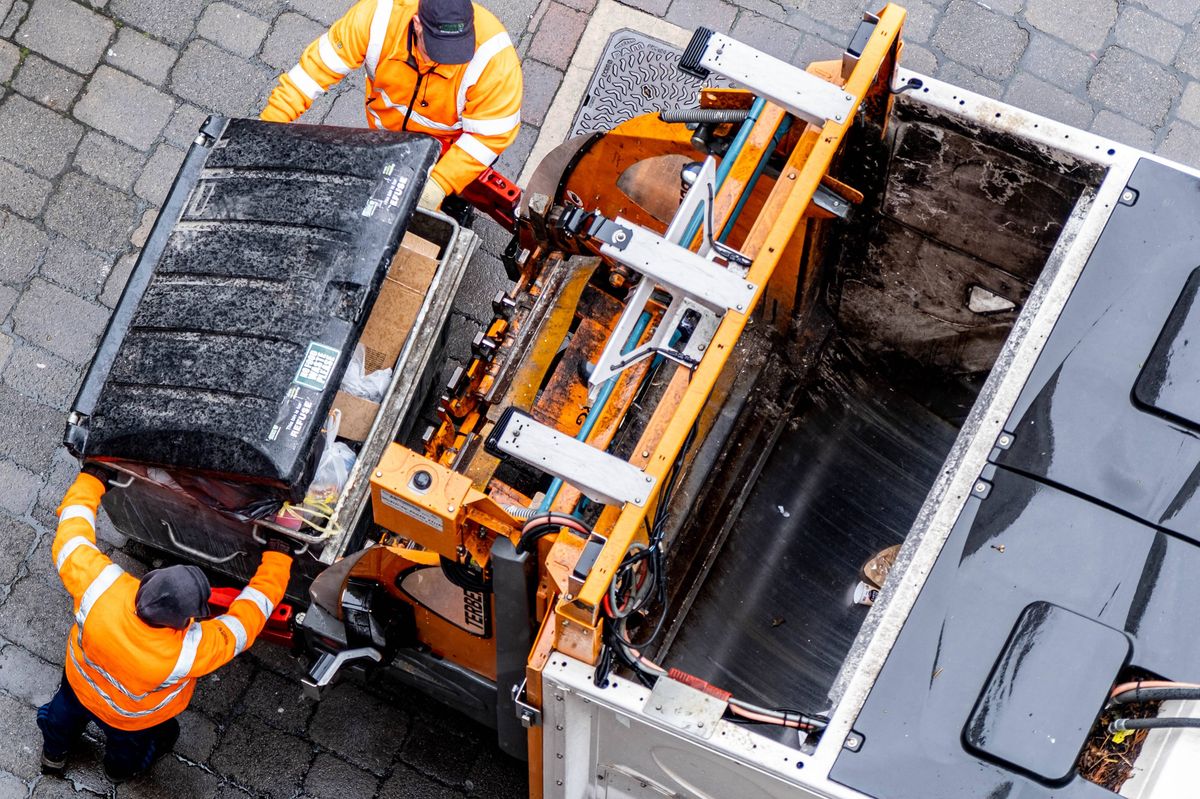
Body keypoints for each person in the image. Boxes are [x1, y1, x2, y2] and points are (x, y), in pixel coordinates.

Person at [37, 464, 293, 782]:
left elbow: (71, 536)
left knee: (60, 720)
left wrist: (92, 478)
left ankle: (53, 756)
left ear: (145, 583)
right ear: (186, 620)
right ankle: (118, 773)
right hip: (131, 719)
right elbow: (247, 619)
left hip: (78, 685)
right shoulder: (189, 650)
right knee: (131, 749)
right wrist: (279, 557)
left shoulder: (102, 588)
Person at [261, 0, 523, 213]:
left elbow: (489, 136)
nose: (447, 63)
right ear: (418, 24)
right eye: (437, 51)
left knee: (452, 198)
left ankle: (456, 207)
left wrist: (440, 183)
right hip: (387, 137)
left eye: (455, 52)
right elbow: (310, 75)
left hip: (450, 148)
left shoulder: (494, 60)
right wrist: (266, 131)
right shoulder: (376, 19)